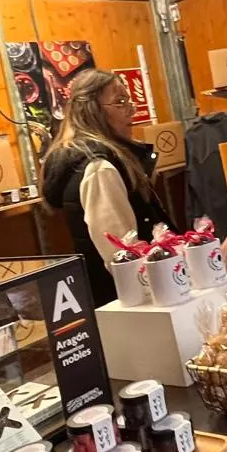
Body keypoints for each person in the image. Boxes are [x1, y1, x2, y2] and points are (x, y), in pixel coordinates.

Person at [42, 70, 172, 305]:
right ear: (93, 111)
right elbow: (123, 254)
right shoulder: (100, 168)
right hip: (131, 301)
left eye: (128, 100)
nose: (131, 109)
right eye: (120, 101)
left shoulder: (101, 160)